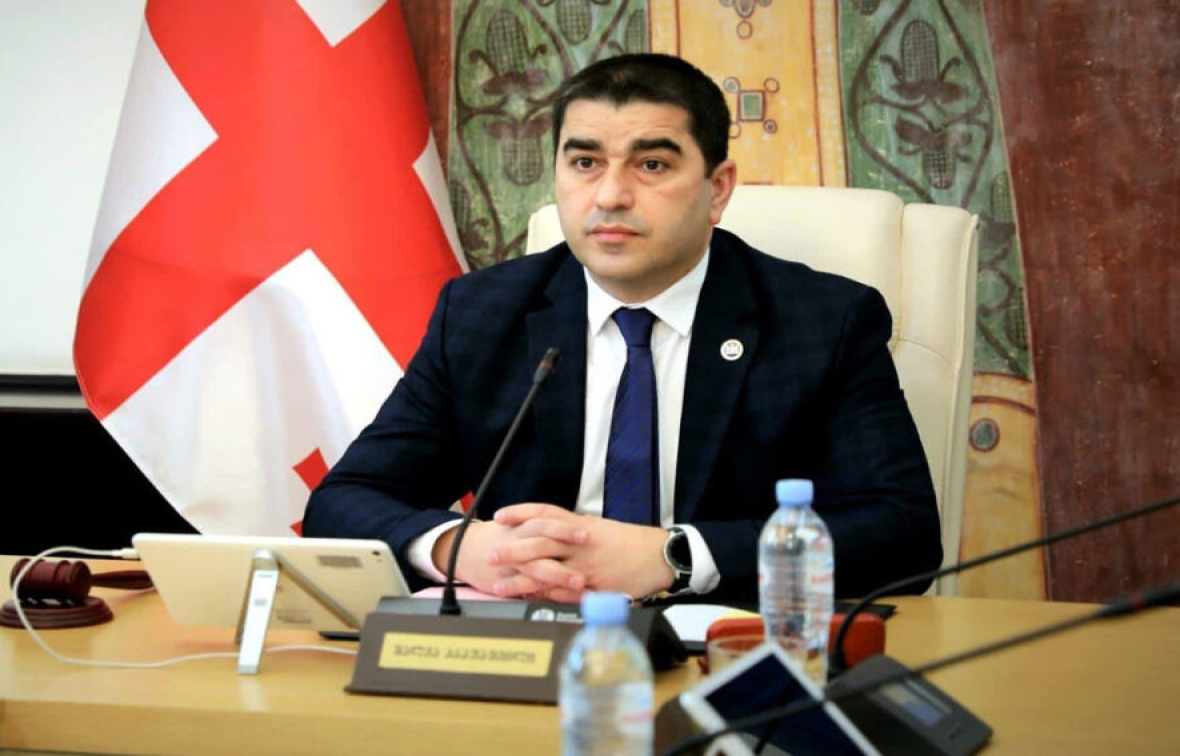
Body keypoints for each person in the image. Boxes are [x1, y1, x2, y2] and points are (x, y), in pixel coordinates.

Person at [303, 53, 941, 604]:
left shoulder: (822, 321)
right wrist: (460, 547)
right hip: (531, 639)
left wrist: (674, 556)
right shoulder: (482, 313)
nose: (609, 196)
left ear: (718, 189)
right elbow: (344, 501)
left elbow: (902, 533)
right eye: (584, 162)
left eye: (652, 165)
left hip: (729, 641)